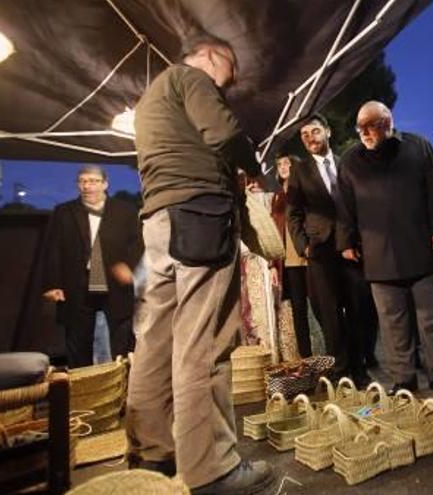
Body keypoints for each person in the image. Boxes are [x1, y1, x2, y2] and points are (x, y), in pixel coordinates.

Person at [126, 33, 275, 494]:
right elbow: (225, 133)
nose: (225, 88)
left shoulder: (151, 98)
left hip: (159, 220)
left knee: (155, 340)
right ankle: (213, 470)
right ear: (212, 57)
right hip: (200, 215)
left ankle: (152, 453)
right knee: (205, 342)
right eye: (226, 79)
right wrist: (255, 168)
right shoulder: (190, 77)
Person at [336, 101, 433, 396]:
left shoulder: (416, 147)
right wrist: (345, 241)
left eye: (371, 126)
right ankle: (403, 379)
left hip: (419, 245)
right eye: (361, 127)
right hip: (377, 252)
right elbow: (345, 205)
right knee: (392, 322)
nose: (365, 133)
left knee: (430, 319)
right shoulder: (349, 161)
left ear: (388, 122)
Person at [285, 114, 378, 385]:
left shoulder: (344, 164)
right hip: (320, 251)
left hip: (351, 249)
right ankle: (340, 371)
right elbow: (293, 215)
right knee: (330, 314)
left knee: (359, 309)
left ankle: (360, 370)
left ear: (327, 131)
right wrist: (304, 247)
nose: (309, 138)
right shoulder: (299, 171)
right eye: (303, 135)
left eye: (314, 131)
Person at [42, 164, 141, 368]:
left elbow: (138, 243)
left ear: (105, 184)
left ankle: (120, 383)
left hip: (114, 282)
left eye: (93, 181)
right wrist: (52, 284)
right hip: (77, 282)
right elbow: (53, 249)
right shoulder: (65, 212)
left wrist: (129, 266)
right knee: (78, 340)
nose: (88, 186)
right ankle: (81, 388)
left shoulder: (125, 211)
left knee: (120, 337)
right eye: (83, 181)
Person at [270, 154, 312, 357]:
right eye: (279, 164)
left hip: (309, 255)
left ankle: (335, 356)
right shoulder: (277, 197)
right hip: (288, 261)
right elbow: (273, 230)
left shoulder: (306, 190)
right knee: (298, 310)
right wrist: (272, 265)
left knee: (322, 307)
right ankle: (307, 357)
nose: (283, 167)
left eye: (287, 163)